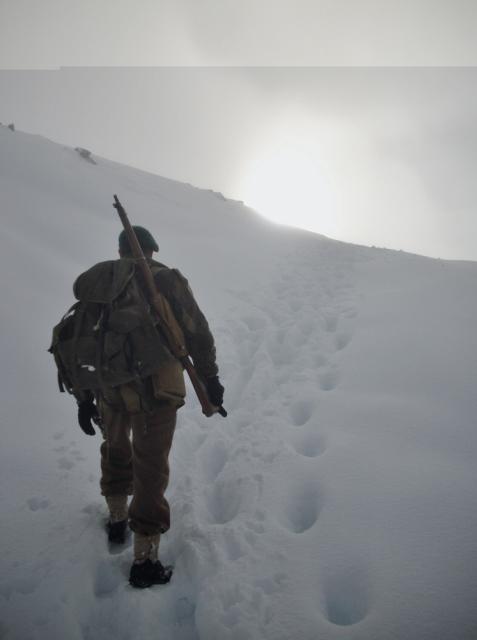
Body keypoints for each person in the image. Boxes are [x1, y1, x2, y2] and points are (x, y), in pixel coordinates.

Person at [75, 226, 224, 588]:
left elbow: (81, 342)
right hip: (156, 391)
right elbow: (197, 331)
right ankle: (144, 561)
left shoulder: (101, 283)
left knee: (115, 447)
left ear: (121, 249)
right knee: (151, 468)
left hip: (109, 387)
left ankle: (115, 520)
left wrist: (83, 398)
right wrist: (210, 377)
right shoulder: (166, 280)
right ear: (152, 250)